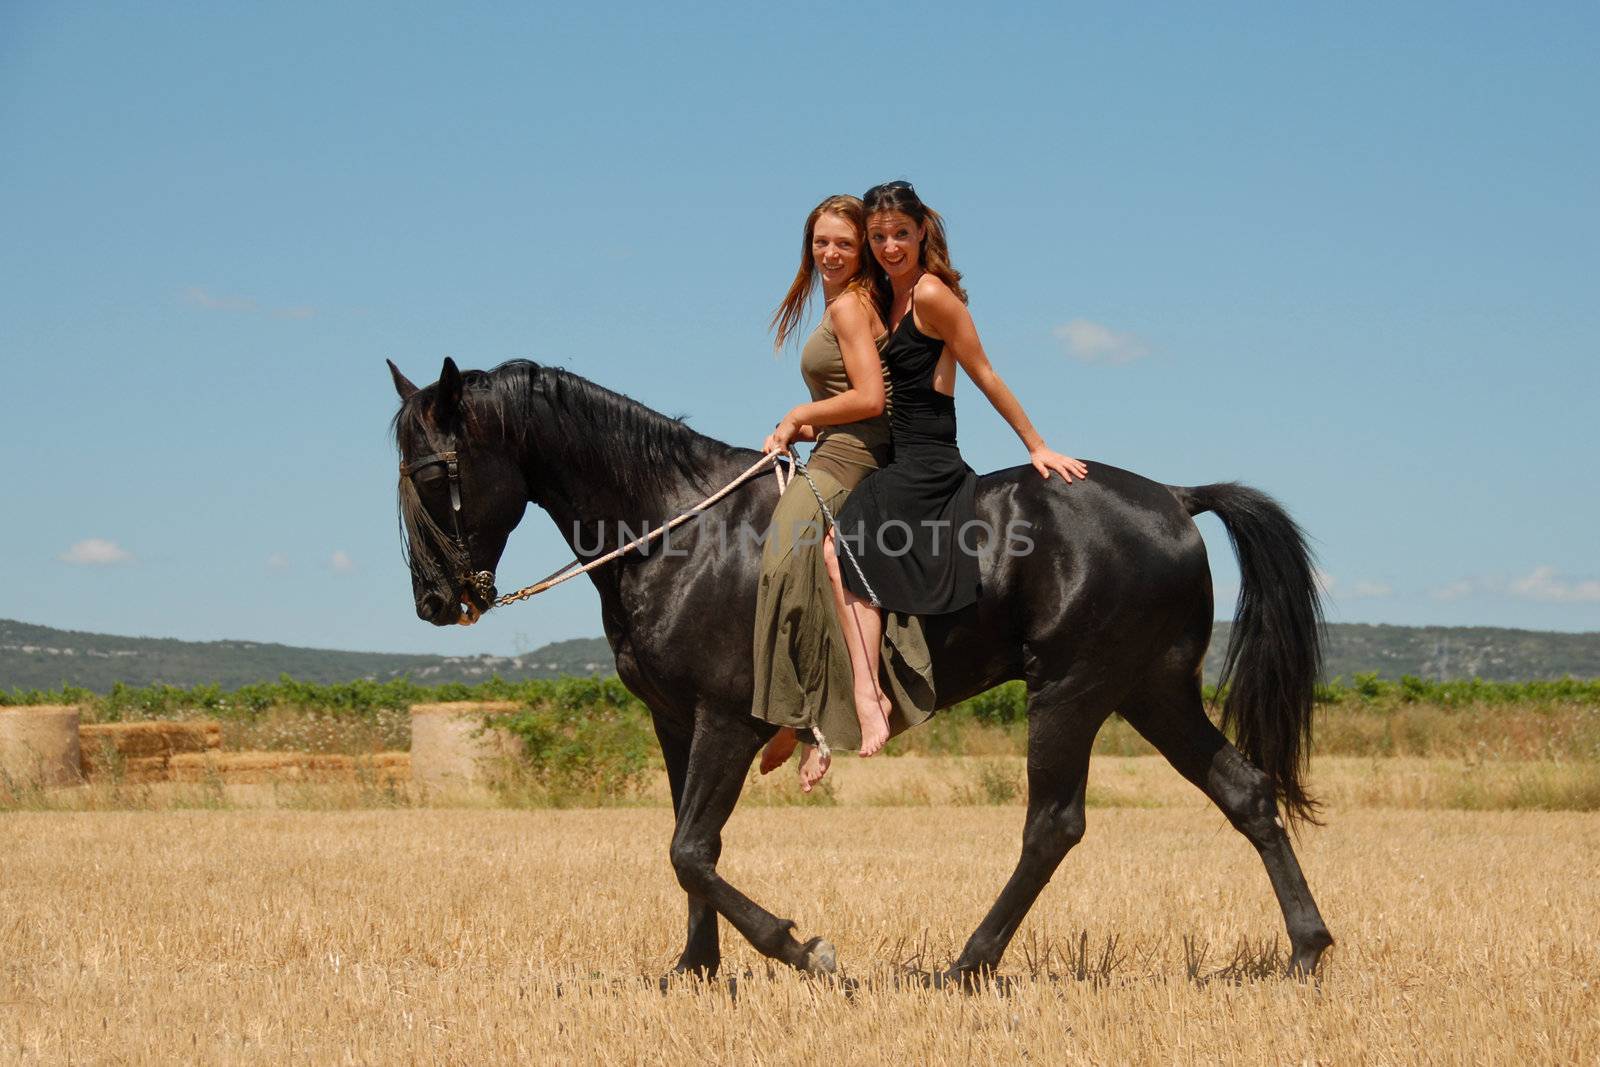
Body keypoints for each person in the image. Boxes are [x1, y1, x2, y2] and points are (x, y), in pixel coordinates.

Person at [826, 181, 1088, 757]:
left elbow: (986, 373)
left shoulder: (931, 295)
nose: (890, 245)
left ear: (922, 232)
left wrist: (1036, 445)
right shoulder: (883, 298)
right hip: (898, 457)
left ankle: (870, 697)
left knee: (836, 544)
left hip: (929, 460)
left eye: (900, 234)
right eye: (879, 237)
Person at [751, 194, 936, 791]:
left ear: (862, 253)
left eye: (844, 244)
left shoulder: (853, 306)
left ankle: (803, 717)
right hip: (837, 444)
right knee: (790, 561)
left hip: (853, 458)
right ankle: (798, 714)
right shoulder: (839, 303)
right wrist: (798, 429)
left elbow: (872, 402)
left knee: (781, 557)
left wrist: (800, 411)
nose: (830, 253)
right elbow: (854, 402)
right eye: (821, 242)